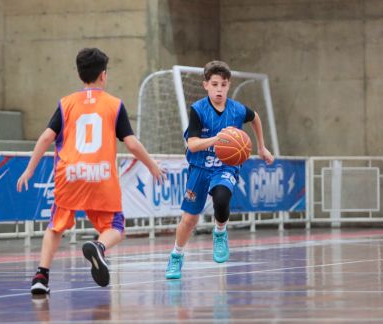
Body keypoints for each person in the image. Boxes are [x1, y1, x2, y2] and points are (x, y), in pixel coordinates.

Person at [17, 47, 165, 294]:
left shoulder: (66, 104)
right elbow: (131, 143)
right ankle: (99, 247)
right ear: (104, 75)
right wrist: (151, 165)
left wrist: (30, 170)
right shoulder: (114, 105)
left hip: (70, 174)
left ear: (79, 74)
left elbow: (45, 138)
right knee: (115, 227)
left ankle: (41, 276)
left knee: (56, 226)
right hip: (101, 176)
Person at [165, 60, 274, 279]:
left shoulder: (237, 109)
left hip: (225, 166)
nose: (219, 89)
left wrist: (261, 147)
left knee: (222, 198)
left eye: (223, 85)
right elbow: (193, 144)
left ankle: (220, 232)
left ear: (228, 85)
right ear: (206, 85)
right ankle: (176, 256)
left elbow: (255, 118)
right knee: (189, 220)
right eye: (214, 84)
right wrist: (218, 139)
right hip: (199, 167)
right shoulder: (198, 110)